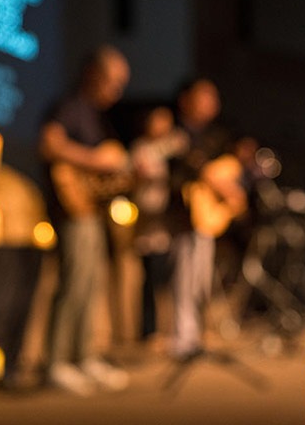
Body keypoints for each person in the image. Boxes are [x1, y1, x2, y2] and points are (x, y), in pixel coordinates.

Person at [39, 45, 131, 396]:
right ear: (93, 74)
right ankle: (56, 363)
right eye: (113, 81)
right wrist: (97, 160)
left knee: (91, 283)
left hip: (91, 210)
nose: (117, 91)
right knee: (73, 282)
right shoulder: (69, 106)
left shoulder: (94, 114)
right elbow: (50, 146)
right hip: (70, 209)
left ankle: (83, 356)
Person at [168, 78, 247, 359]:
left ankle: (195, 336)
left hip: (204, 219)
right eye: (204, 96)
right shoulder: (175, 132)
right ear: (186, 100)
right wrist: (215, 181)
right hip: (181, 216)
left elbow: (225, 170)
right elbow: (184, 173)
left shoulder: (215, 137)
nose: (211, 103)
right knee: (184, 277)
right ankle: (182, 338)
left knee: (201, 278)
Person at [130, 106, 188, 343]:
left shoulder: (169, 147)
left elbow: (181, 143)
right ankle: (148, 330)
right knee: (149, 281)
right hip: (145, 226)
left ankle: (169, 329)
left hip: (165, 226)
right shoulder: (141, 149)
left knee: (167, 278)